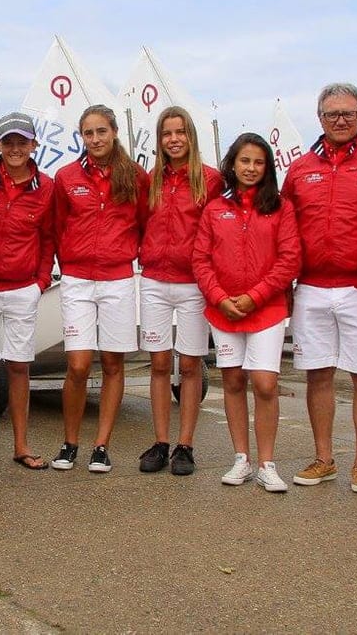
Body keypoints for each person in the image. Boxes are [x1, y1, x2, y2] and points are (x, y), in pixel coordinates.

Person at [281, 83, 357, 494]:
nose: (340, 120)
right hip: (311, 287)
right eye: (331, 114)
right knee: (318, 374)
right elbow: (285, 229)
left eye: (348, 113)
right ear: (319, 117)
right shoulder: (299, 168)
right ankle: (323, 458)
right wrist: (286, 282)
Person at [192, 133, 300, 492]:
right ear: (232, 164)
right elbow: (201, 259)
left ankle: (268, 463)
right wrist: (220, 297)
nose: (251, 168)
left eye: (258, 162)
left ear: (267, 167)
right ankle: (241, 459)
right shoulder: (214, 208)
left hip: (265, 310)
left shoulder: (280, 206)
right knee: (234, 381)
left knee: (265, 384)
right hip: (223, 311)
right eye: (244, 161)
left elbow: (289, 259)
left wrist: (255, 297)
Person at [50, 104, 150, 473]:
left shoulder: (135, 176)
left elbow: (143, 223)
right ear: (82, 136)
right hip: (77, 279)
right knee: (77, 365)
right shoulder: (66, 176)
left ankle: (101, 446)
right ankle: (70, 442)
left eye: (101, 132)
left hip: (118, 280)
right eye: (88, 133)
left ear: (114, 132)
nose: (95, 139)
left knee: (112, 361)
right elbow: (58, 226)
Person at [136, 106, 223, 476]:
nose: (174, 139)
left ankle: (185, 445)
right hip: (155, 281)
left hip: (192, 284)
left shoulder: (211, 180)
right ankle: (160, 441)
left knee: (189, 365)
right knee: (158, 364)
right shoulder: (151, 179)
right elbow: (140, 223)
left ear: (191, 136)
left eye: (180, 132)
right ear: (160, 140)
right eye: (167, 133)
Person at [0, 112, 55, 471]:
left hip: (24, 289)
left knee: (19, 366)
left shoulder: (46, 187)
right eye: (8, 142)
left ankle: (21, 445)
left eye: (22, 142)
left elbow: (49, 238)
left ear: (33, 145)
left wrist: (41, 283)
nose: (15, 148)